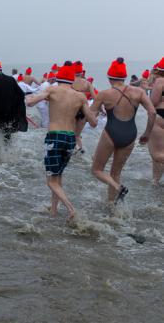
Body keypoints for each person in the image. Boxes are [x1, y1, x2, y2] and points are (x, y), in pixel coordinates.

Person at [25, 63, 97, 222]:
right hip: (70, 139)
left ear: (57, 79)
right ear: (72, 81)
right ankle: (54, 210)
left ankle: (70, 208)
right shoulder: (80, 96)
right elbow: (93, 122)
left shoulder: (52, 89)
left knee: (51, 181)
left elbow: (31, 102)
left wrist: (28, 98)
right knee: (58, 176)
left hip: (54, 136)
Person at [88, 58, 156, 205]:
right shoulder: (139, 92)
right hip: (130, 134)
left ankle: (117, 188)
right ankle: (113, 205)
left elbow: (92, 119)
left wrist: (91, 114)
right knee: (116, 173)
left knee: (96, 170)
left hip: (111, 133)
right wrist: (147, 134)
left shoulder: (104, 94)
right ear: (124, 77)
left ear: (109, 77)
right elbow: (152, 113)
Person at [71, 62, 97, 153]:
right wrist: (94, 111)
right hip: (83, 110)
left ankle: (71, 152)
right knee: (77, 136)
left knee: (69, 133)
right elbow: (96, 99)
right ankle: (80, 152)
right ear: (82, 72)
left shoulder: (69, 81)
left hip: (71, 110)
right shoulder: (87, 83)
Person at [149, 58, 164, 186]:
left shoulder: (160, 81)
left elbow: (153, 102)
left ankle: (156, 181)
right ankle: (156, 181)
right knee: (160, 154)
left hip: (160, 116)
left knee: (156, 154)